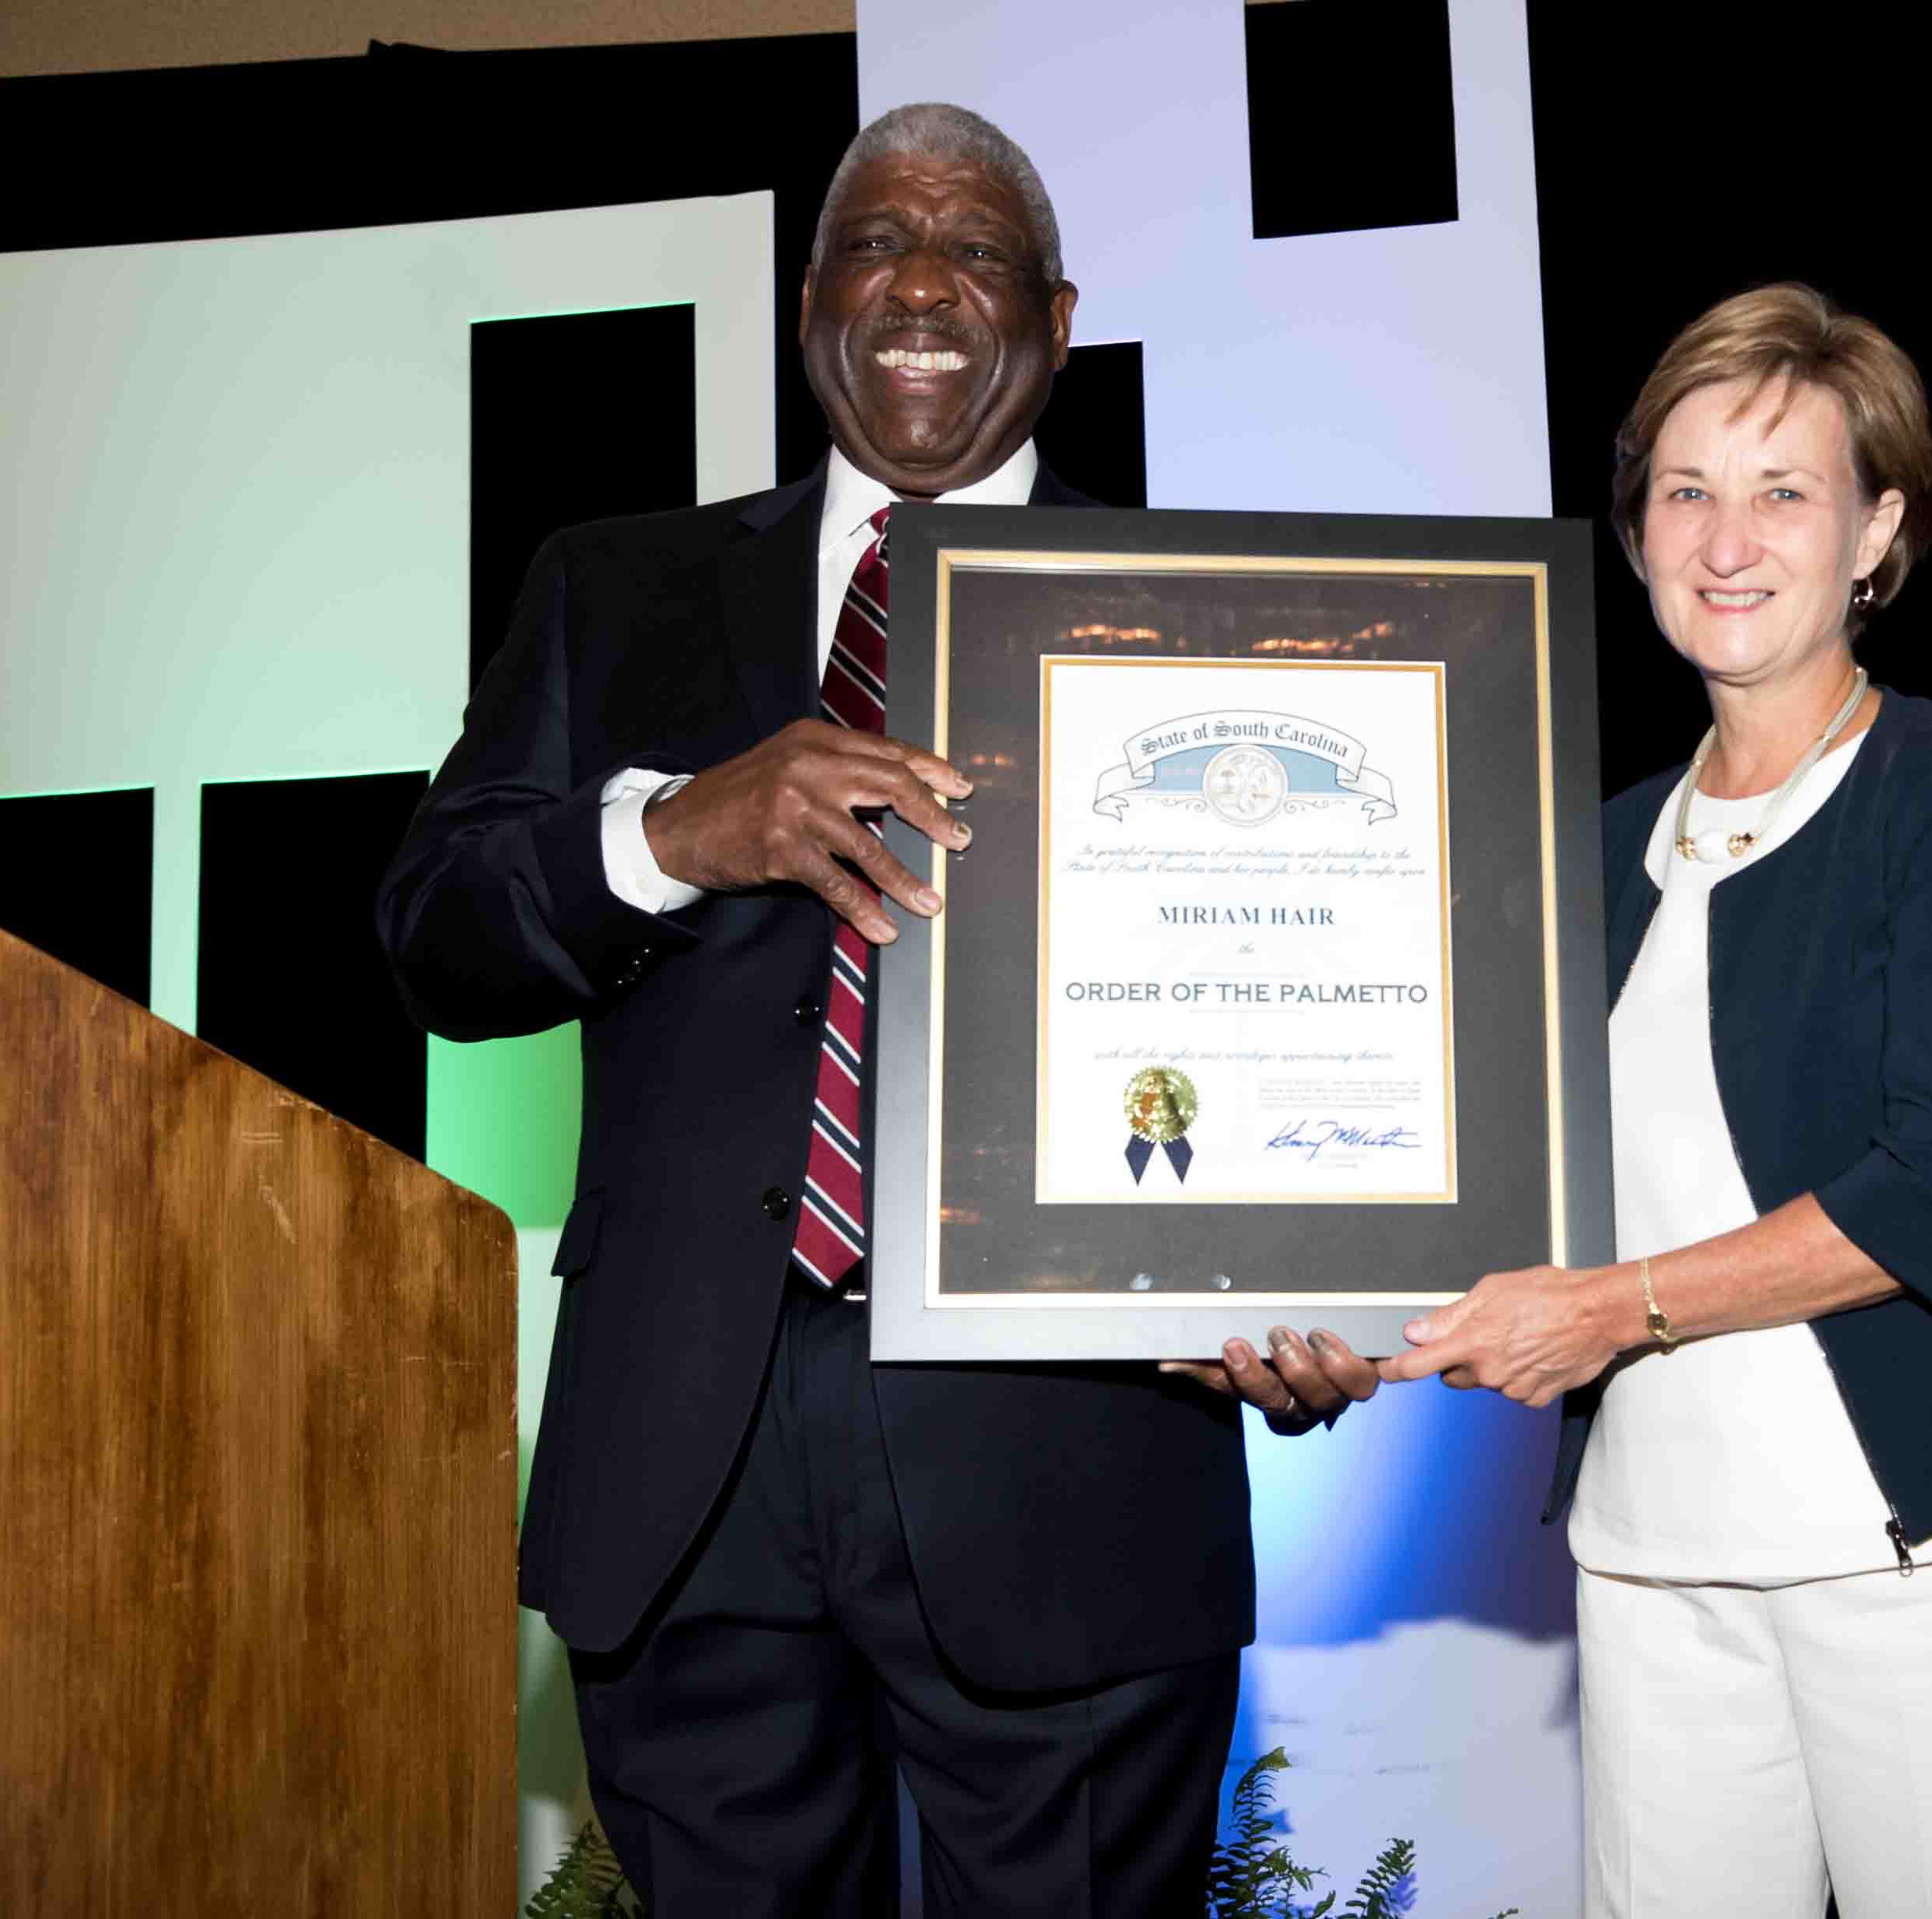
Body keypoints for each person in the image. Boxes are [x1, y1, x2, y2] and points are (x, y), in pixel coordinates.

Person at [377, 102, 1380, 1913]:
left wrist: (1306, 1270)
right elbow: (437, 939)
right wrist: (672, 833)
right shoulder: (610, 587)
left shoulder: (1223, 614)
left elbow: (1304, 1007)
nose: (921, 282)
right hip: (687, 1462)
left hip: (1074, 1461)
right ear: (810, 301)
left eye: (977, 251)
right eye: (873, 245)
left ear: (1057, 322)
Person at [1381, 284, 1932, 1917]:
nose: (1726, 540)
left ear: (1877, 531)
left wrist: (1615, 1307)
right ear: (1634, 530)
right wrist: (1291, 1322)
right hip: (1652, 1559)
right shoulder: (1588, 851)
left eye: (1784, 492)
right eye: (1685, 491)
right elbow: (1483, 1182)